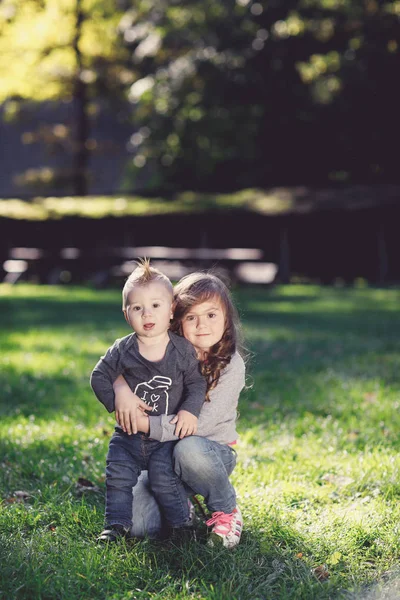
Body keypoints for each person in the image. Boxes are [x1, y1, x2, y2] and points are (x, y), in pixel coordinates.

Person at [114, 272, 246, 548]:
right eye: (191, 317)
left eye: (211, 315)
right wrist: (121, 390)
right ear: (176, 319)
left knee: (189, 448)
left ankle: (226, 510)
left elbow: (195, 427)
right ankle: (179, 504)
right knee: (139, 524)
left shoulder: (232, 365)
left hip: (207, 456)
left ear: (226, 319)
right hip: (160, 459)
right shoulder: (163, 352)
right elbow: (119, 363)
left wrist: (144, 425)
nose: (202, 325)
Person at [90, 259, 206, 542]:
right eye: (137, 307)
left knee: (163, 479)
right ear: (126, 314)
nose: (146, 313)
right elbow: (98, 377)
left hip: (165, 439)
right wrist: (118, 398)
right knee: (118, 478)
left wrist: (190, 412)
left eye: (155, 305)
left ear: (171, 311)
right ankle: (115, 525)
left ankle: (181, 525)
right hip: (127, 435)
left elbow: (196, 383)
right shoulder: (122, 349)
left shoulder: (181, 350)